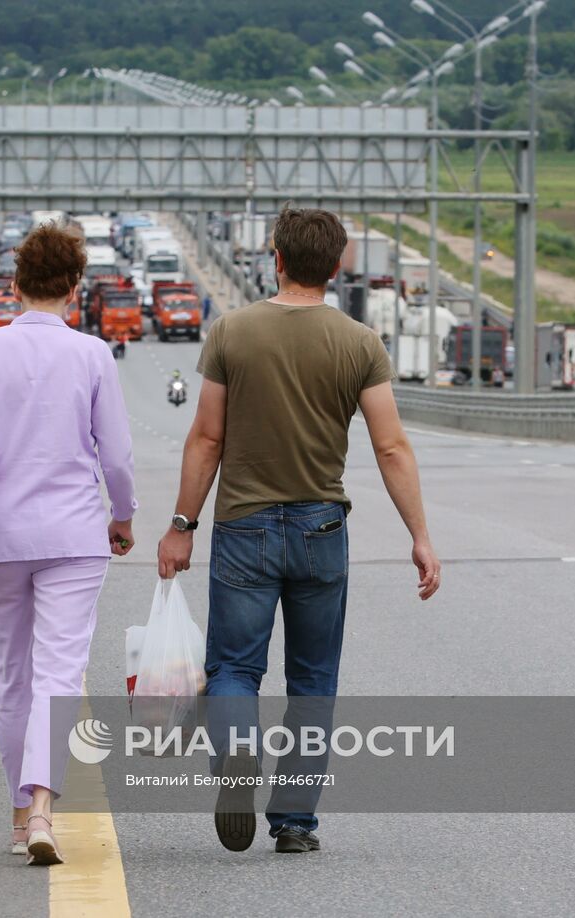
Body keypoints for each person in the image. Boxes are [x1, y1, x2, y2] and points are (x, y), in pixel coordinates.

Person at [157, 207, 441, 855]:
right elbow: (391, 447)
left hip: (243, 528)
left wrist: (181, 526)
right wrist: (419, 534)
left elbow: (207, 437)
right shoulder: (360, 343)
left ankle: (236, 749)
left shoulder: (232, 332)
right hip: (320, 527)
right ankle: (294, 822)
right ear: (337, 268)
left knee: (233, 668)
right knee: (313, 680)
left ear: (276, 259)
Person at [0, 224, 136, 867]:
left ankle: (21, 815)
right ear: (76, 288)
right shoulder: (93, 355)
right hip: (75, 535)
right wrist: (124, 517)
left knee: (11, 677)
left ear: (15, 284)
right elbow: (119, 455)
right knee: (58, 673)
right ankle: (47, 806)